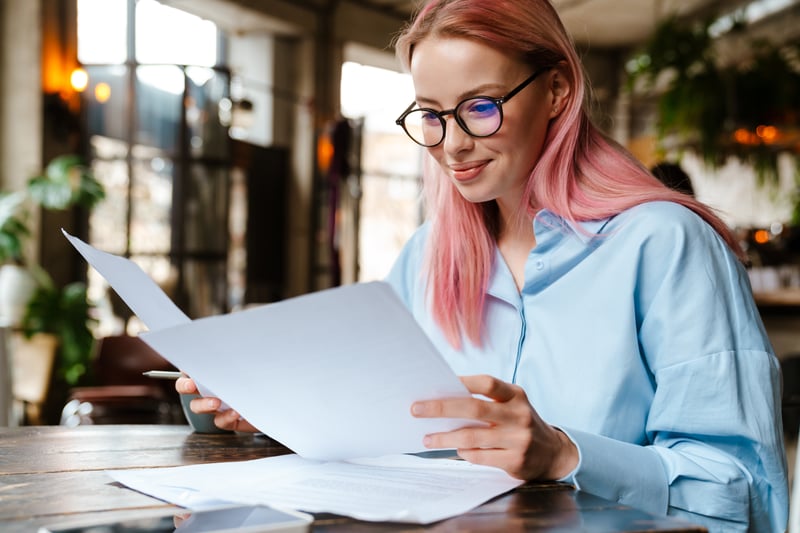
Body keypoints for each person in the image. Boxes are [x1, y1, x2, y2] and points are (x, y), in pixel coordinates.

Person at [177, 0, 788, 530]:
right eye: (432, 115)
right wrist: (275, 407)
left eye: (480, 107)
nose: (452, 143)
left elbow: (739, 493)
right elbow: (386, 429)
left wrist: (565, 455)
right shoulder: (426, 256)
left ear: (558, 91)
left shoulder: (666, 245)